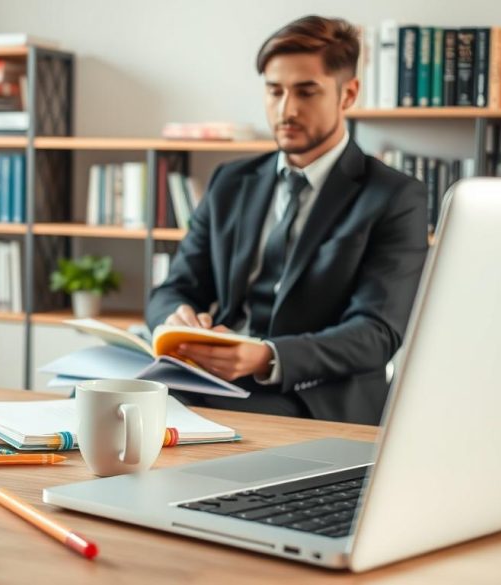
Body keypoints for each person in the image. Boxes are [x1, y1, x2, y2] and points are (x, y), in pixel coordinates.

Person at [146, 15, 428, 425]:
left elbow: (376, 333)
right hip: (215, 379)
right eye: (274, 91)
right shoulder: (231, 180)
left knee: (164, 415)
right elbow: (174, 288)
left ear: (348, 94)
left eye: (306, 92)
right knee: (97, 397)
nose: (286, 109)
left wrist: (266, 356)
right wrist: (177, 321)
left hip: (316, 397)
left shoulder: (394, 196)